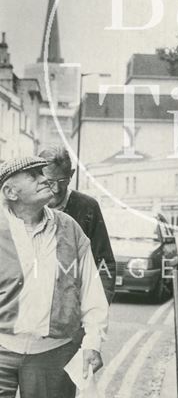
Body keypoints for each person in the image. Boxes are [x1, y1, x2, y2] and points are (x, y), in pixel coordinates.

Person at [0, 156, 108, 398]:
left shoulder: (70, 228)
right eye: (34, 175)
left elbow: (92, 291)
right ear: (11, 192)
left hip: (53, 354)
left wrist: (93, 342)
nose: (44, 178)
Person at [39, 145, 116, 304]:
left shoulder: (88, 207)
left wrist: (99, 307)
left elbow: (103, 263)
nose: (57, 188)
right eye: (50, 181)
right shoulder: (28, 206)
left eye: (63, 180)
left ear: (71, 175)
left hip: (75, 306)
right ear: (38, 176)